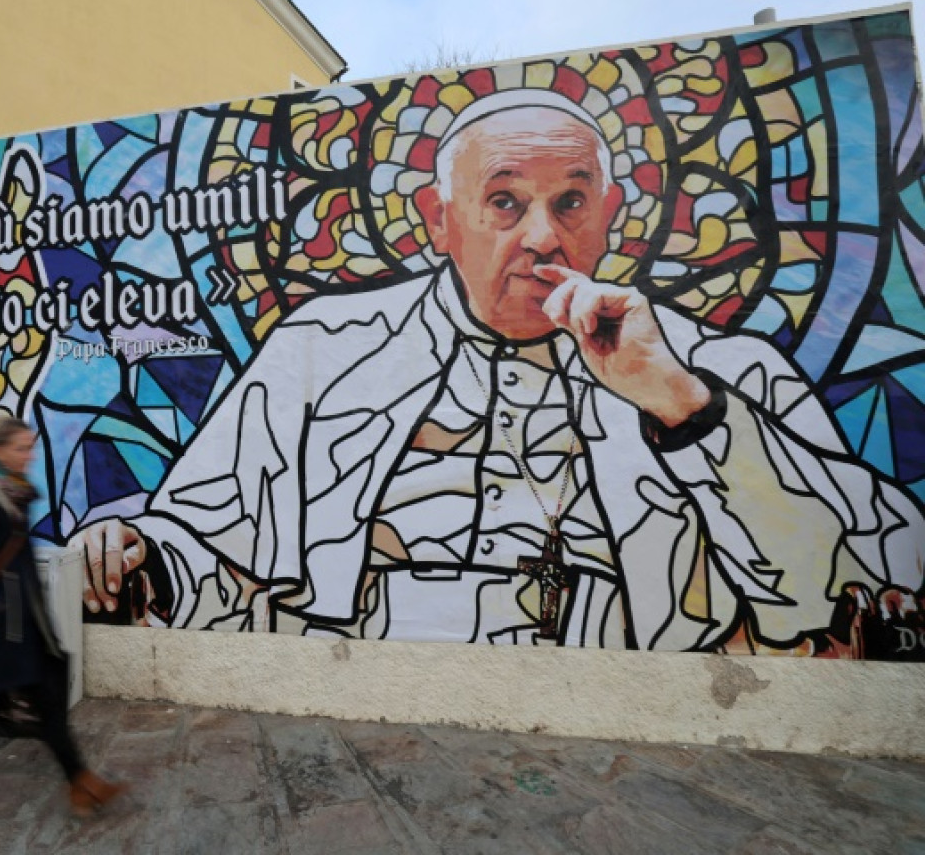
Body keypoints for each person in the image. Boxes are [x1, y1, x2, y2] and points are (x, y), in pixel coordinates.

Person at [71, 88, 925, 656]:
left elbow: (844, 573)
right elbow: (217, 539)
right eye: (506, 202)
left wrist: (681, 406)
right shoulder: (322, 347)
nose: (545, 239)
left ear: (612, 215)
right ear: (441, 219)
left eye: (572, 202)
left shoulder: (718, 370)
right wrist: (144, 555)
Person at [0, 417, 124, 832]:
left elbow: (19, 563)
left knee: (49, 706)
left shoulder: (15, 493)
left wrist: (37, 617)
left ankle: (80, 781)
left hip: (21, 627)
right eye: (20, 448)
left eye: (31, 447)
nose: (29, 456)